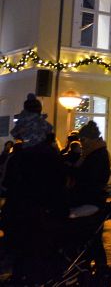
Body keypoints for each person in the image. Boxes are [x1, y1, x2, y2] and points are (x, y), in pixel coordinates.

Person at [3, 93, 67, 283]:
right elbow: (60, 184)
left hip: (21, 214)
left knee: (22, 255)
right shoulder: (52, 156)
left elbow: (8, 184)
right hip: (44, 214)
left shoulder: (18, 157)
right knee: (39, 255)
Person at [69, 121, 111, 273]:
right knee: (92, 237)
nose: (81, 143)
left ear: (91, 139)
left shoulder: (97, 155)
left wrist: (73, 172)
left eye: (83, 140)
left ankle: (98, 268)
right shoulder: (91, 153)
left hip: (92, 200)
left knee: (91, 236)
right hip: (90, 199)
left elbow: (89, 178)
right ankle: (92, 265)